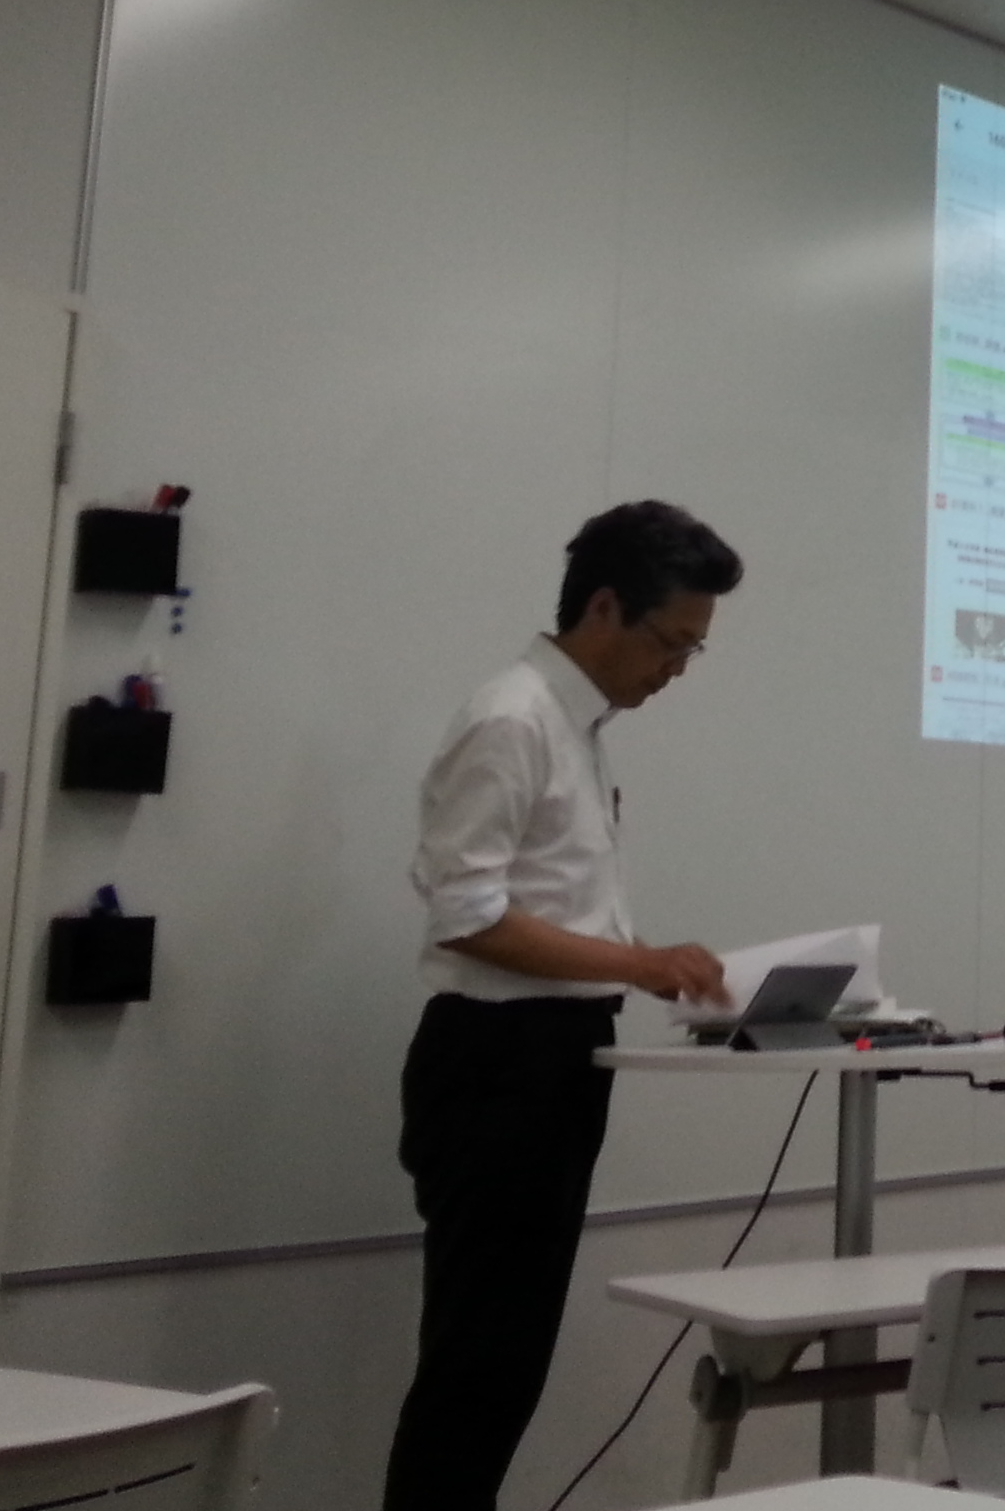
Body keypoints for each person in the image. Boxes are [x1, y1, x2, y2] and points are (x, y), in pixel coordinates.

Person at [382, 502, 746, 1511]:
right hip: (496, 1060)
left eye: (693, 651)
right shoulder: (514, 718)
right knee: (476, 1365)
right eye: (672, 642)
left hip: (551, 1055)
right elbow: (467, 915)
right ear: (604, 607)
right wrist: (638, 963)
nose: (676, 670)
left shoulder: (574, 728)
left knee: (504, 1364)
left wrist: (637, 971)